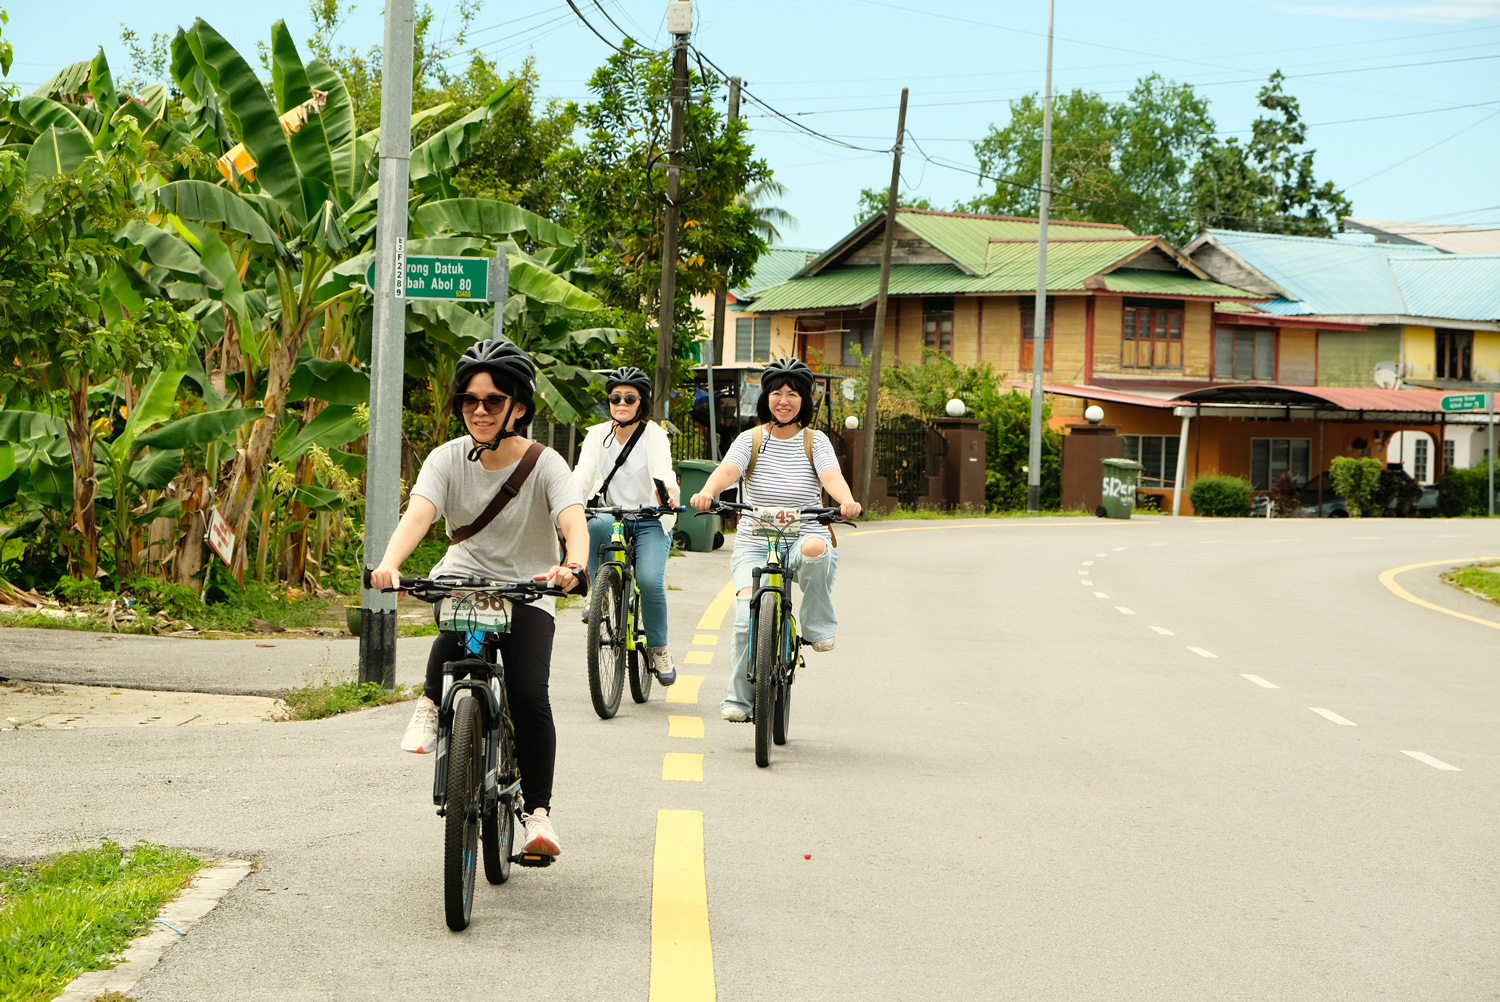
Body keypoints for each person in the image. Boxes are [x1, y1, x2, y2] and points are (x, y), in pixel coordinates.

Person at [370, 338, 588, 858]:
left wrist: (572, 565)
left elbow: (572, 521)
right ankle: (430, 702)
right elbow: (419, 515)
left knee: (531, 695)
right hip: (464, 579)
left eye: (493, 400)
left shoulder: (546, 463)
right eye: (471, 400)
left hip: (529, 587)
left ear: (518, 406)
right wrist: (390, 564)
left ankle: (538, 814)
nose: (481, 410)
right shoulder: (446, 459)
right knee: (454, 635)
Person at [687, 358, 862, 722]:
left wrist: (845, 500)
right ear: (766, 397)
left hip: (803, 535)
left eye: (792, 394)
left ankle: (816, 625)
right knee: (742, 616)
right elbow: (729, 470)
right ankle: (739, 699)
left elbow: (830, 476)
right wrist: (707, 491)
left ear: (804, 401)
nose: (784, 400)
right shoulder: (749, 439)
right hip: (755, 540)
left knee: (817, 550)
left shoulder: (815, 441)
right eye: (777, 393)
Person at [571, 366, 681, 685]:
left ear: (641, 403)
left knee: (648, 581)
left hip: (650, 519)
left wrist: (668, 496)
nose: (621, 404)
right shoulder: (596, 435)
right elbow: (582, 475)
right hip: (612, 513)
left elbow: (663, 472)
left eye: (629, 398)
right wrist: (568, 507)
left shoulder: (655, 436)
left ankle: (659, 648)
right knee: (590, 525)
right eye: (615, 398)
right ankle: (599, 595)